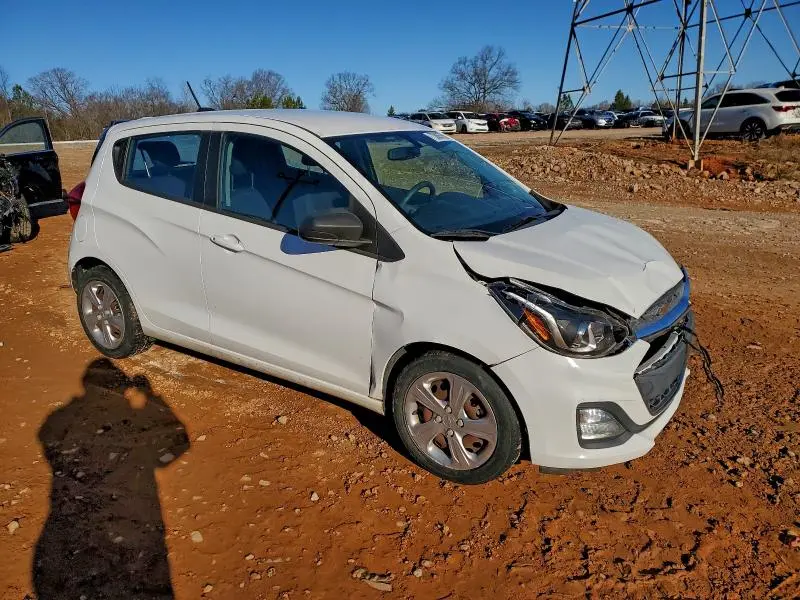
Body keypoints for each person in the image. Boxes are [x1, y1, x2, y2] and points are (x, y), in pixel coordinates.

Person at [34, 358, 189, 599]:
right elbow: (179, 443)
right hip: (134, 530)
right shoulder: (134, 422)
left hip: (80, 530)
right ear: (119, 389)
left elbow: (47, 437)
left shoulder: (62, 418)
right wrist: (151, 397)